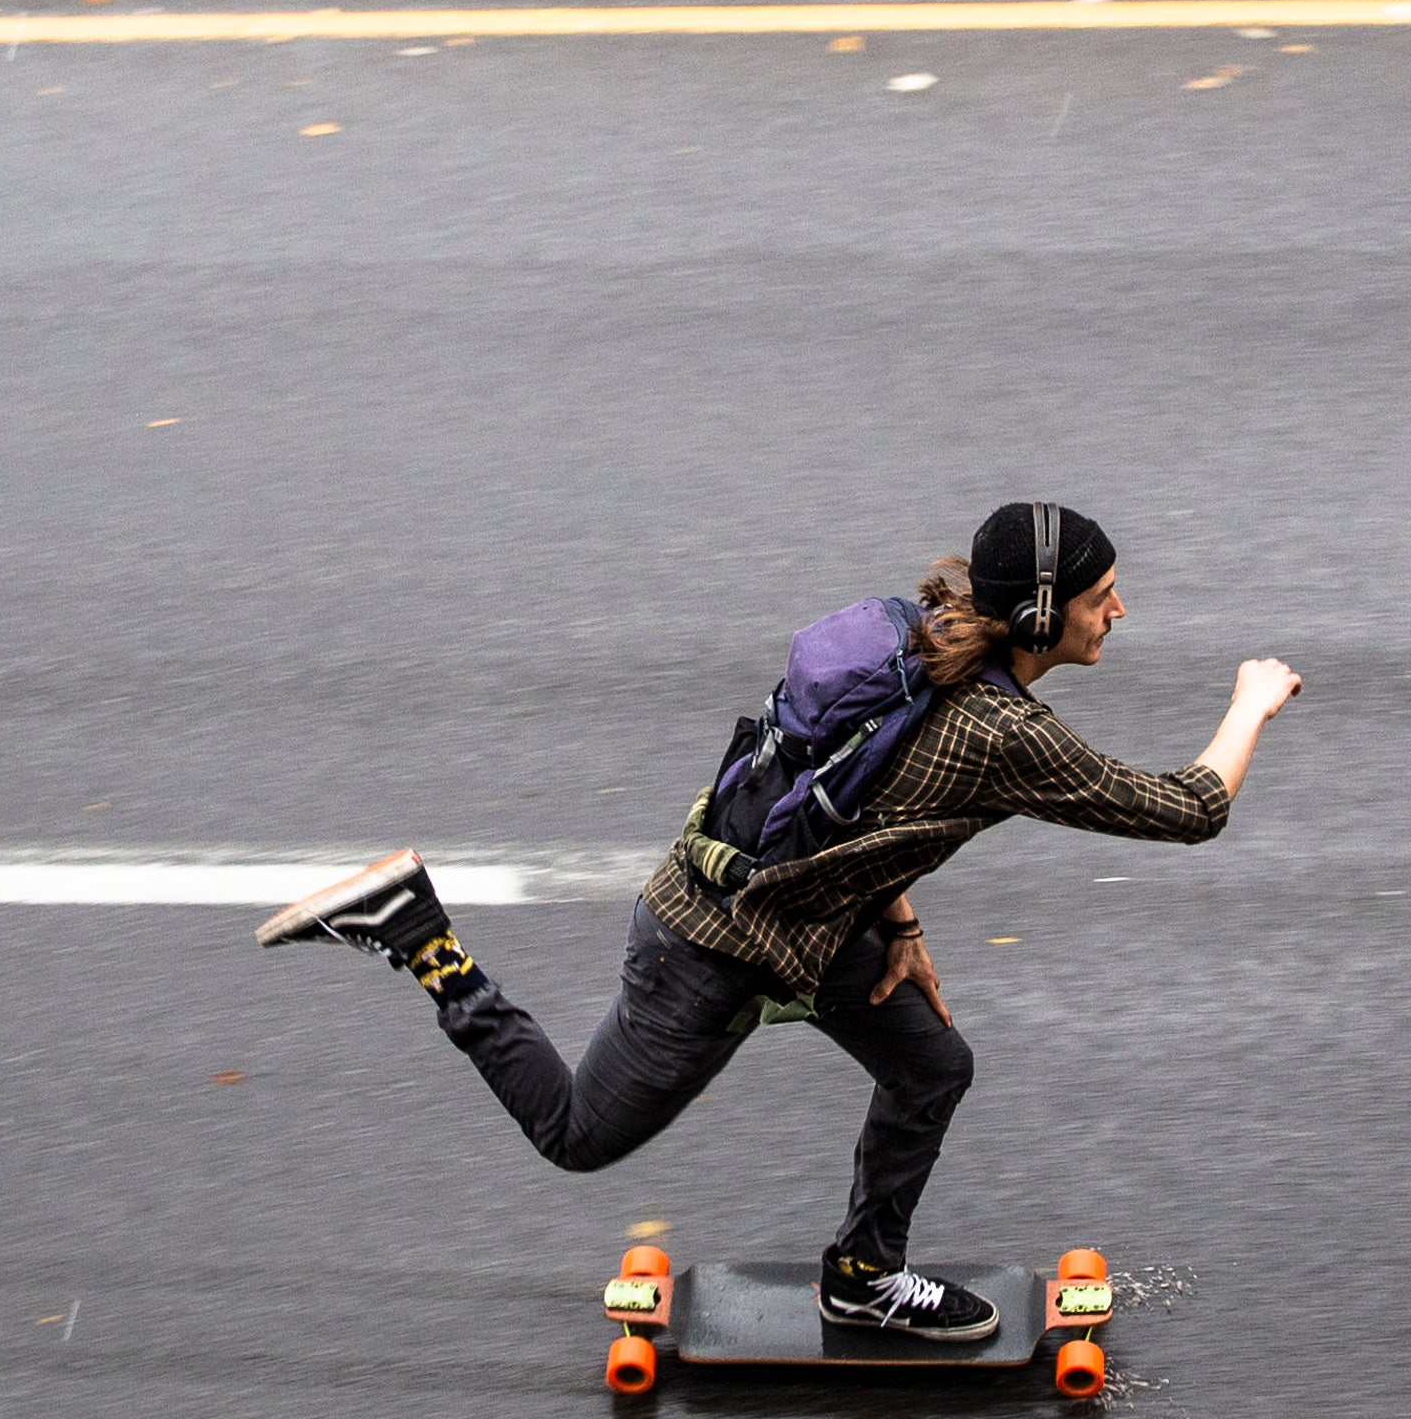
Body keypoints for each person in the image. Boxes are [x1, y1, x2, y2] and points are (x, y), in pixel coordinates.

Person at [260, 501, 1303, 1341]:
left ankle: (860, 1278)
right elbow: (1189, 809)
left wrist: (900, 926)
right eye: (1101, 597)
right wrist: (1252, 702)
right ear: (1039, 616)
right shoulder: (1001, 731)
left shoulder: (921, 631)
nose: (1117, 612)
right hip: (711, 950)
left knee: (932, 1066)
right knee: (576, 1136)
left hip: (805, 919)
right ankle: (421, 938)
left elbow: (860, 806)